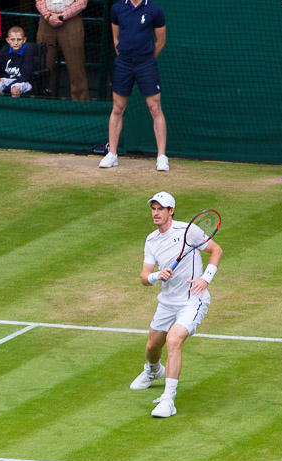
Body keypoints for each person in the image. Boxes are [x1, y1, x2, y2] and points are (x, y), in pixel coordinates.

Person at [129, 192, 223, 418]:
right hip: (167, 302)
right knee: (153, 346)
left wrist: (205, 278)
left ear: (171, 211)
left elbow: (215, 251)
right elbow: (144, 277)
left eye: (161, 209)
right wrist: (156, 275)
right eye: (153, 208)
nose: (156, 213)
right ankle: (153, 371)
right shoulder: (151, 240)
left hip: (192, 300)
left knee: (173, 340)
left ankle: (168, 400)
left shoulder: (188, 231)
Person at [99, 0, 167, 171]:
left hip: (146, 64)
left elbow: (160, 41)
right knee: (118, 108)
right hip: (124, 63)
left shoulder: (154, 10)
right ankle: (112, 154)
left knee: (154, 107)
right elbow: (116, 38)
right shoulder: (117, 8)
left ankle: (161, 157)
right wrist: (125, 57)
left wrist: (148, 59)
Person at [34, 0, 88, 101]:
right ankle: (42, 102)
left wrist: (62, 16)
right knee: (43, 65)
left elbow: (82, 2)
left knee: (76, 66)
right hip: (46, 21)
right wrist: (48, 16)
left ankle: (80, 105)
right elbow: (39, 1)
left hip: (71, 21)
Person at [0, 26, 34, 97]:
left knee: (15, 89)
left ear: (24, 40)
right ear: (8, 40)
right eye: (13, 40)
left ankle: (14, 107)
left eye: (19, 39)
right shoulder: (5, 50)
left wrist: (9, 86)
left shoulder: (28, 52)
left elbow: (25, 76)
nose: (16, 43)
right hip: (5, 79)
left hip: (22, 81)